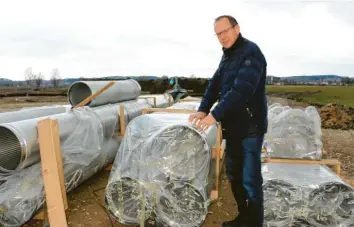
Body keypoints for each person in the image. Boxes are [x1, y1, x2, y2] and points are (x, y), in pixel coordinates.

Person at [189, 15, 268, 227]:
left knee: (250, 180)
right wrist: (202, 109)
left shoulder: (251, 52)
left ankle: (254, 223)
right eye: (218, 34)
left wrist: (214, 114)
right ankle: (244, 218)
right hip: (233, 128)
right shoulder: (227, 57)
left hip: (251, 127)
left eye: (225, 31)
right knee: (234, 175)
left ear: (237, 28)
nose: (222, 37)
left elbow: (242, 90)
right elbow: (215, 84)